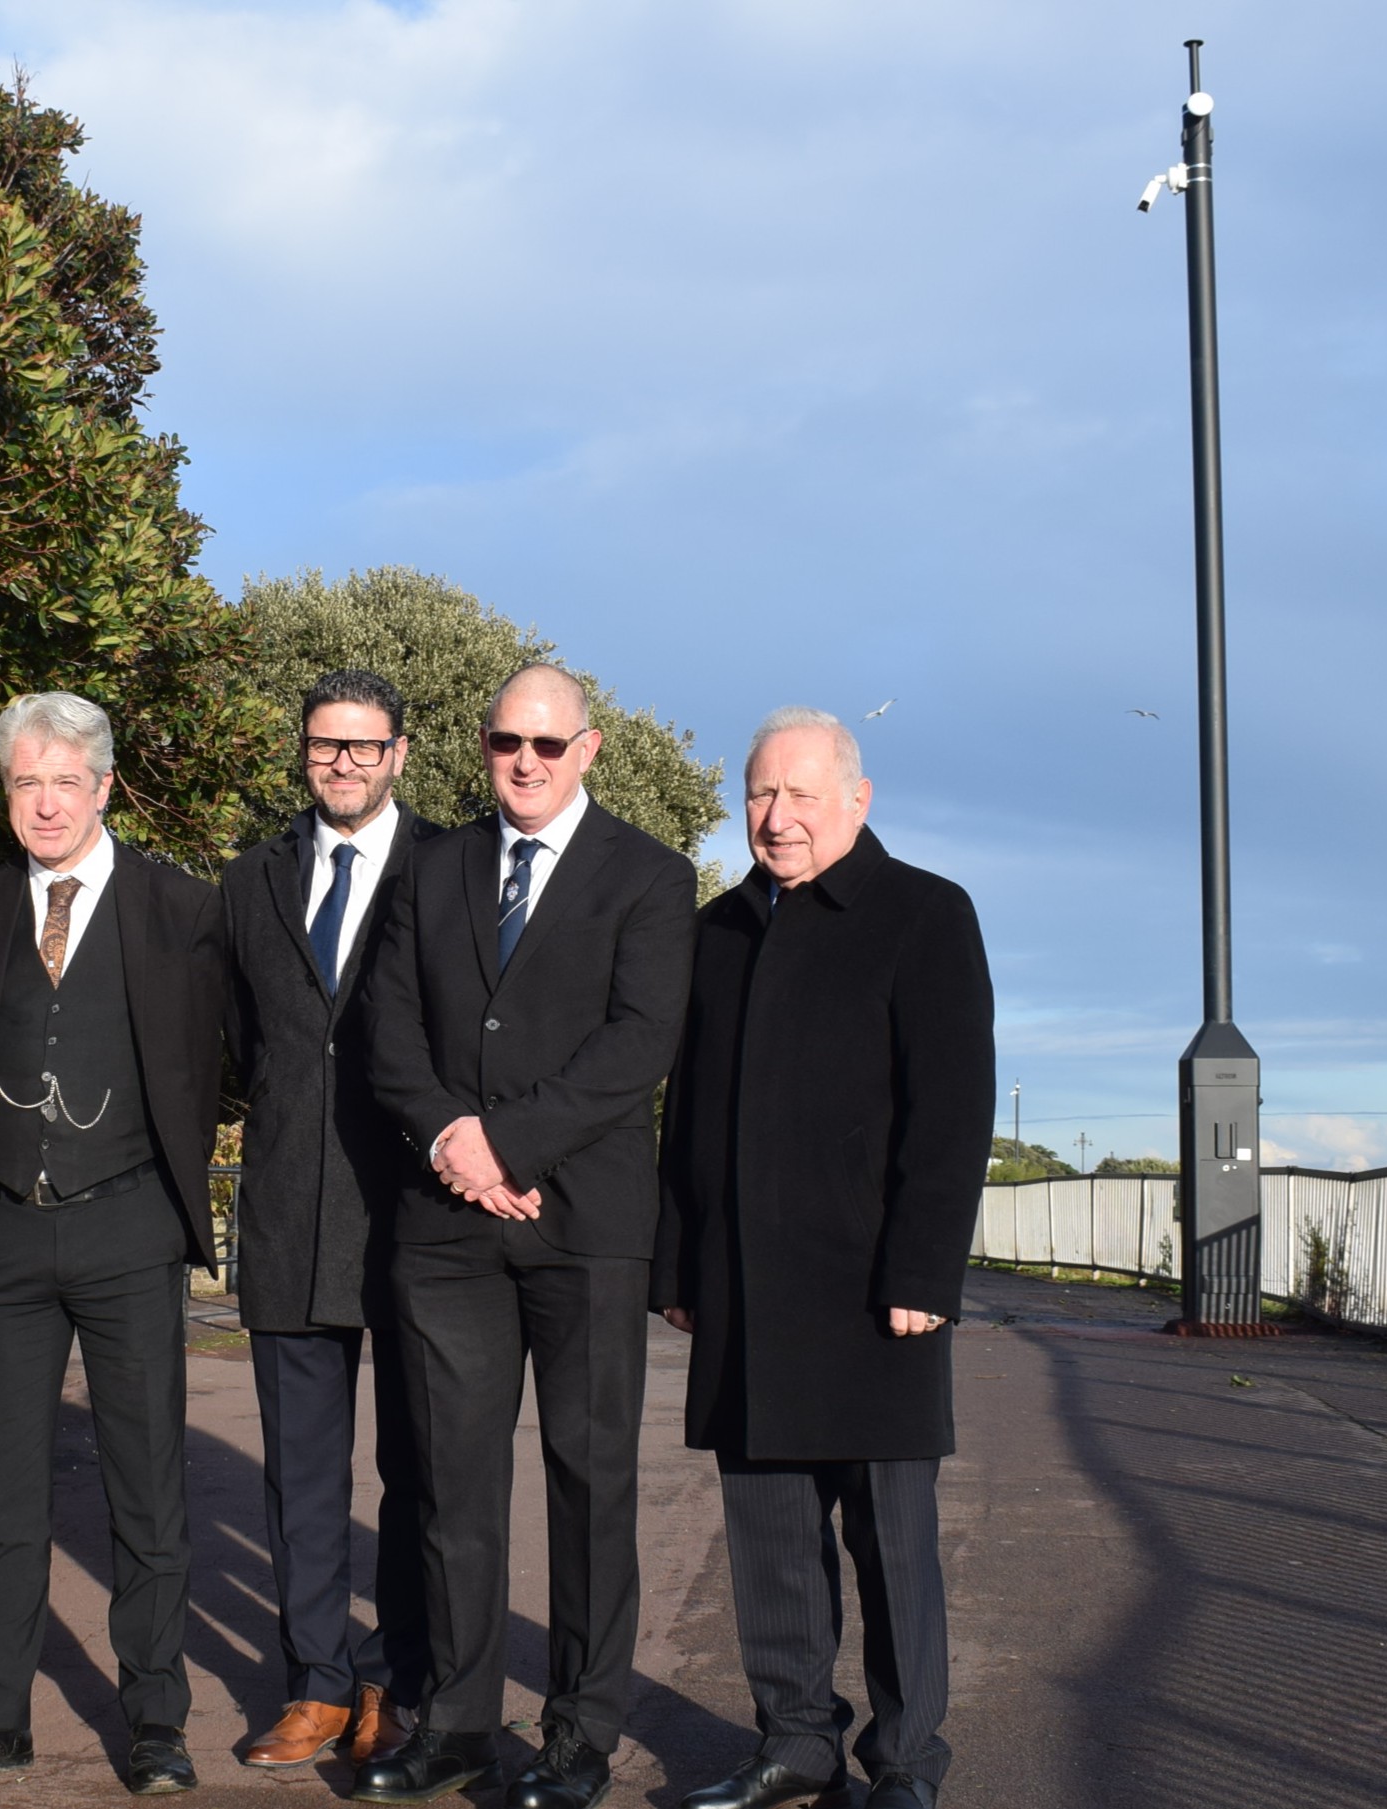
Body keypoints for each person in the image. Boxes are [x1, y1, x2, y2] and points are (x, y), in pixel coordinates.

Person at [354, 664, 697, 1809]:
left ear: (589, 749)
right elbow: (385, 1020)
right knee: (452, 1485)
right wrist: (450, 1136)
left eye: (549, 744)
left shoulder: (648, 877)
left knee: (589, 1484)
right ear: (483, 745)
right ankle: (454, 1725)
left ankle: (577, 1734)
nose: (526, 762)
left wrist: (507, 1144)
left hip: (585, 1226)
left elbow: (638, 1042)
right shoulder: (434, 865)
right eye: (507, 741)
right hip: (445, 1228)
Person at [0, 692, 230, 1797]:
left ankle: (156, 1722)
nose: (43, 802)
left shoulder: (182, 907)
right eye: (24, 782)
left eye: (63, 782)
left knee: (147, 1492)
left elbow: (227, 1055)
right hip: (0, 1238)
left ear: (104, 787)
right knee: (6, 1500)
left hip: (130, 1225)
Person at [651, 707, 994, 1809]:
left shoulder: (925, 914)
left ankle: (904, 1764)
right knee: (768, 1548)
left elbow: (952, 1111)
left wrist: (921, 1276)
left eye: (799, 795)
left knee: (892, 1551)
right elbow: (688, 1116)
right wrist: (679, 1270)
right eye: (758, 794)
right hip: (745, 1291)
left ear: (856, 798)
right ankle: (795, 1741)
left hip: (871, 1294)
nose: (775, 816)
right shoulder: (719, 930)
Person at [221, 671, 439, 1771]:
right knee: (300, 1476)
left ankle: (397, 1685)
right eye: (324, 745)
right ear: (302, 751)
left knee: (413, 1475)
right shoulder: (250, 879)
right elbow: (226, 1045)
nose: (343, 763)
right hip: (287, 1220)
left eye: (363, 746)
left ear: (399, 752)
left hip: (414, 1223)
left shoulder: (449, 867)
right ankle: (313, 1683)